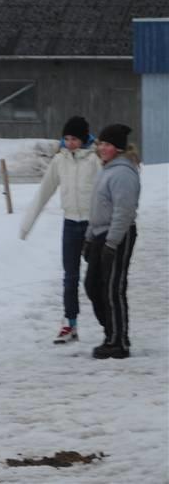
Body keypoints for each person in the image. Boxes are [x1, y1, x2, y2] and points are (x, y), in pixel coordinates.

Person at [19, 116, 101, 344]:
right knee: (70, 277)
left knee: (97, 278)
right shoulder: (60, 161)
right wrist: (27, 224)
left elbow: (107, 192)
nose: (69, 143)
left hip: (92, 226)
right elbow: (44, 192)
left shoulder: (95, 160)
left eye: (74, 138)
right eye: (66, 138)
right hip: (70, 224)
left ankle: (108, 323)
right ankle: (70, 324)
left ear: (83, 138)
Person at [83, 124, 140, 359]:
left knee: (112, 289)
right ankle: (113, 332)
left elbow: (123, 212)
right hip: (100, 234)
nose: (101, 148)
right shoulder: (107, 170)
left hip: (117, 236)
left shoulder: (123, 173)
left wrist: (111, 242)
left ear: (117, 148)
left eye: (106, 145)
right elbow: (98, 208)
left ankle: (118, 342)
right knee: (93, 286)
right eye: (100, 144)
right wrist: (89, 238)